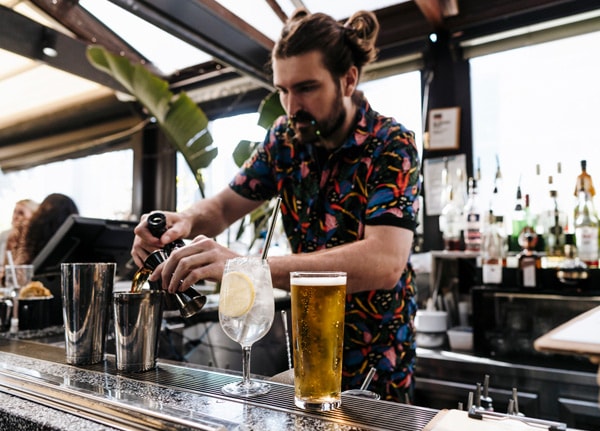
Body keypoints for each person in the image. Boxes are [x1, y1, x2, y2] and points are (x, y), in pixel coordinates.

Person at [132, 9, 421, 403]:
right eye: (282, 90)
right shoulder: (284, 139)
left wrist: (247, 270)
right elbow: (220, 209)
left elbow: (385, 262)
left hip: (377, 361)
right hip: (309, 351)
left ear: (348, 79)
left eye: (305, 88)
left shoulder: (391, 144)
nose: (291, 106)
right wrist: (181, 221)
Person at [14, 193, 79, 265]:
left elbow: (21, 264)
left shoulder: (32, 232)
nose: (15, 217)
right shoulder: (77, 235)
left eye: (21, 213)